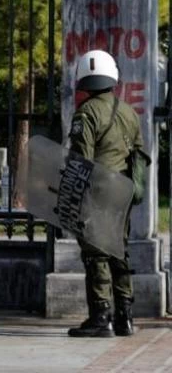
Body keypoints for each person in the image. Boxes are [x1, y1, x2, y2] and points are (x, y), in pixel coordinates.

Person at [66, 49, 146, 338]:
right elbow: (138, 152)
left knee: (96, 252)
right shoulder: (128, 111)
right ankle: (125, 316)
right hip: (123, 189)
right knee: (119, 250)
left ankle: (101, 317)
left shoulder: (86, 113)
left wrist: (71, 196)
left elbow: (80, 160)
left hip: (98, 189)